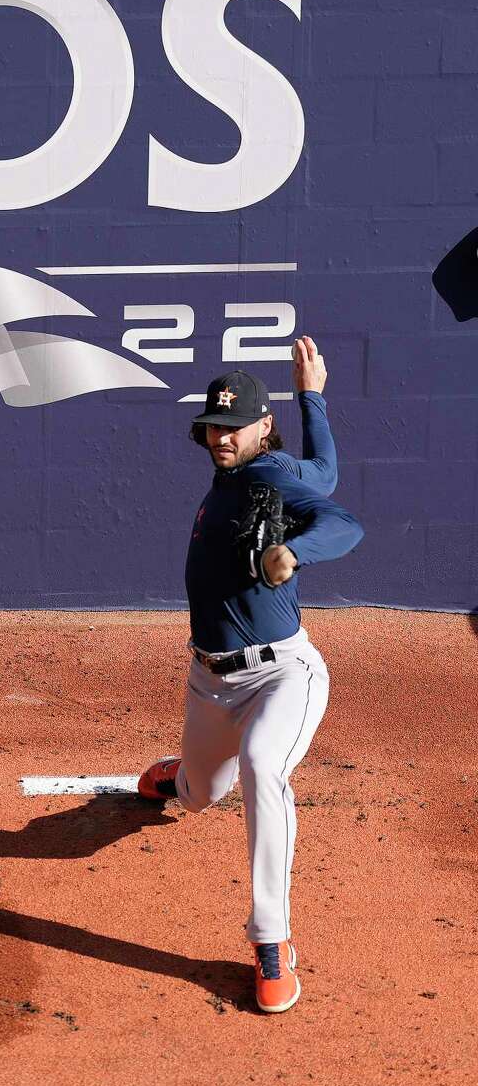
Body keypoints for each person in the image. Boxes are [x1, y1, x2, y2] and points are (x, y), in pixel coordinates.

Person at [137, 337, 363, 1014]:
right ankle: (181, 776)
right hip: (210, 683)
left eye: (236, 427)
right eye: (215, 426)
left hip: (283, 675)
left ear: (262, 428)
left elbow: (341, 519)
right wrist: (313, 396)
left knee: (265, 766)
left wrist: (294, 550)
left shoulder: (266, 478)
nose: (223, 437)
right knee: (202, 795)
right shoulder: (269, 471)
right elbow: (323, 471)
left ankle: (271, 942)